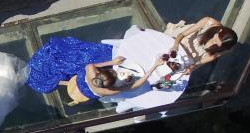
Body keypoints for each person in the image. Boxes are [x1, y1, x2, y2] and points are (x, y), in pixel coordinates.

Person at [26, 37, 163, 104]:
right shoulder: (108, 90)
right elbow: (135, 85)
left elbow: (89, 65)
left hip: (81, 79)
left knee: (84, 55)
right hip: (86, 88)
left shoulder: (91, 71)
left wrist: (112, 62)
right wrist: (154, 66)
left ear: (98, 73)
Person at [164, 16, 238, 74]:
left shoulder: (225, 47)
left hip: (197, 55)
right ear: (220, 30)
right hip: (186, 40)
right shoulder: (208, 22)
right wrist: (176, 45)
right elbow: (182, 34)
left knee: (174, 68)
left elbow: (208, 58)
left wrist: (193, 67)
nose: (214, 43)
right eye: (216, 39)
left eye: (218, 44)